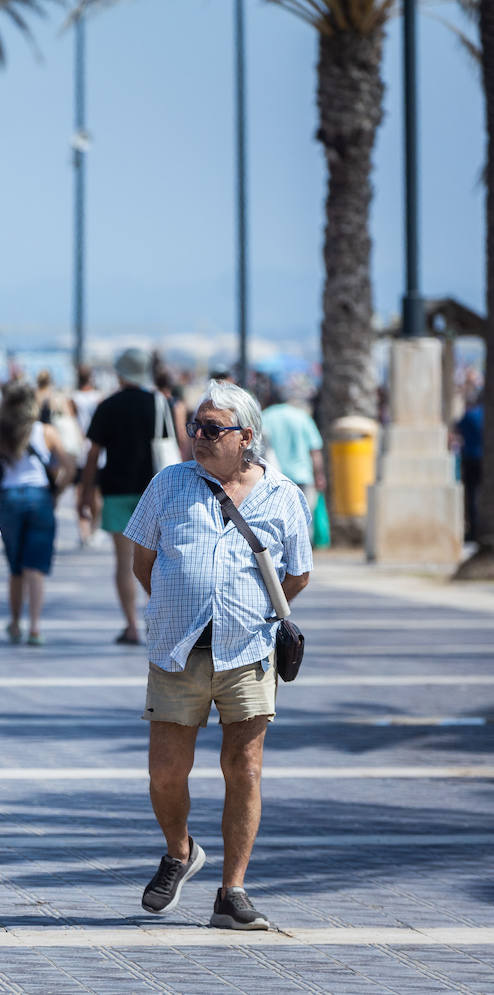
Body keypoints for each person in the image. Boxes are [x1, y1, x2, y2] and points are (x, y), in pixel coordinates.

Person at [123, 380, 312, 931]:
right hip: (178, 650)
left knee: (244, 769)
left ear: (245, 436)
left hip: (249, 650)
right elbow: (144, 562)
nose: (197, 438)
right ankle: (179, 851)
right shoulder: (169, 484)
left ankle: (233, 890)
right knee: (165, 774)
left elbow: (297, 574)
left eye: (211, 429)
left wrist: (250, 611)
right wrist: (179, 606)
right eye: (194, 427)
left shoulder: (283, 495)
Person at [78, 348, 160, 646]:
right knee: (157, 562)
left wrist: (86, 493)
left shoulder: (108, 406)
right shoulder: (159, 404)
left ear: (120, 373)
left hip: (116, 491)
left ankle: (131, 626)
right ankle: (161, 619)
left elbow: (93, 453)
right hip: (154, 491)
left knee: (124, 562)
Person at [0, 382, 74, 646]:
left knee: (15, 568)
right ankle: (34, 627)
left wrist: (1, 498)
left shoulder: (0, 433)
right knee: (35, 567)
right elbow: (69, 467)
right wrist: (56, 494)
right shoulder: (47, 432)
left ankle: (14, 622)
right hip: (40, 498)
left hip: (11, 498)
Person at [261, 379, 327, 511]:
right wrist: (319, 476)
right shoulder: (302, 417)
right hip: (302, 478)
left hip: (274, 479)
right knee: (304, 524)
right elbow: (314, 451)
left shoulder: (265, 416)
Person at [455, 392, 484, 542]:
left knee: (471, 497)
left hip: (470, 459)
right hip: (484, 460)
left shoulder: (469, 416)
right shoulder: (485, 415)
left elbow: (457, 429)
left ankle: (473, 531)